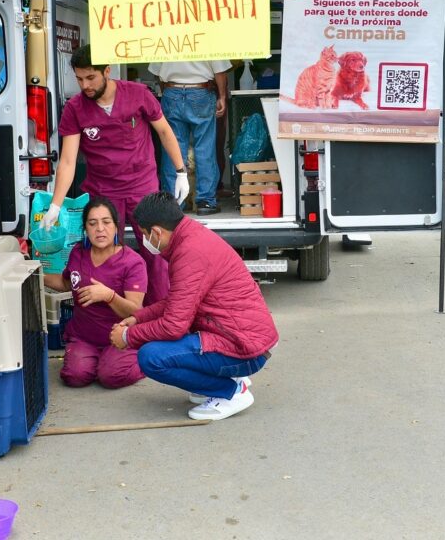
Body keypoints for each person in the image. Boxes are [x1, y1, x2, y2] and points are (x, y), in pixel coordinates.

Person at [109, 192, 278, 421]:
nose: (146, 240)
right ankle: (218, 384)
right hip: (243, 337)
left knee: (151, 357)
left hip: (245, 347)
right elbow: (179, 300)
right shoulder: (190, 237)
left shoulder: (190, 253)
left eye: (146, 234)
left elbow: (173, 326)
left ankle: (231, 392)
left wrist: (128, 336)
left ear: (157, 232)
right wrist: (139, 318)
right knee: (163, 344)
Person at [42, 45, 189, 304]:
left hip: (142, 187)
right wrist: (56, 204)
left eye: (90, 78)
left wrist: (181, 171)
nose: (84, 85)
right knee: (105, 252)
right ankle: (114, 316)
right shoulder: (75, 109)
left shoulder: (138, 94)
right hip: (104, 191)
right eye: (79, 79)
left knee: (155, 252)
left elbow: (165, 132)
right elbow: (67, 160)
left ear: (107, 71)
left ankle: (161, 313)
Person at [43, 198, 147, 389]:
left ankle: (144, 361)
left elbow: (135, 312)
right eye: (93, 223)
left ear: (116, 227)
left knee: (110, 376)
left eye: (106, 222)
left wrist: (109, 296)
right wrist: (36, 273)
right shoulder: (78, 251)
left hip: (120, 337)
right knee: (74, 377)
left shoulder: (133, 262)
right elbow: (67, 282)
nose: (100, 228)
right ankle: (98, 361)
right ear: (85, 229)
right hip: (84, 337)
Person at [147, 60, 232, 215]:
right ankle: (205, 202)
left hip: (172, 92)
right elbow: (220, 70)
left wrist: (167, 89)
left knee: (172, 149)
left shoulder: (165, 37)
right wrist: (222, 96)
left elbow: (156, 71)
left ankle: (173, 203)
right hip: (201, 92)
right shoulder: (208, 35)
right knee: (205, 147)